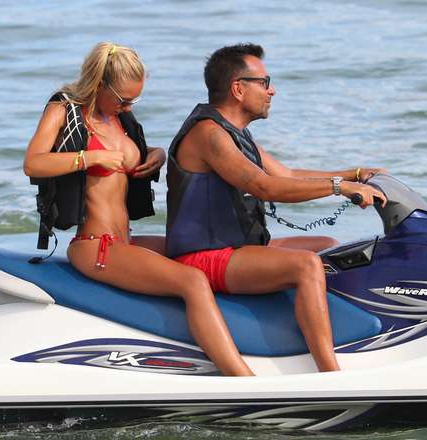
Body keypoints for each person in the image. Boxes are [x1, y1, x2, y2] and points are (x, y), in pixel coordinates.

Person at [24, 42, 255, 376]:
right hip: (95, 245)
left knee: (201, 252)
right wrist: (89, 158)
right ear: (100, 84)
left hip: (125, 241)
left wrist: (156, 155)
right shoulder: (64, 109)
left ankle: (257, 349)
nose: (128, 106)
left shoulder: (118, 118)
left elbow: (129, 155)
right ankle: (242, 378)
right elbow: (33, 162)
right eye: (123, 99)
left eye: (134, 100)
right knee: (192, 280)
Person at [166, 43, 388, 372]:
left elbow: (287, 175)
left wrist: (354, 174)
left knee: (328, 247)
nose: (272, 90)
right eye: (264, 82)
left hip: (235, 247)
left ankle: (327, 336)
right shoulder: (209, 135)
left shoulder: (235, 134)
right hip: (205, 257)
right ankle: (330, 374)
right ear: (238, 89)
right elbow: (264, 186)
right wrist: (340, 188)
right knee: (306, 265)